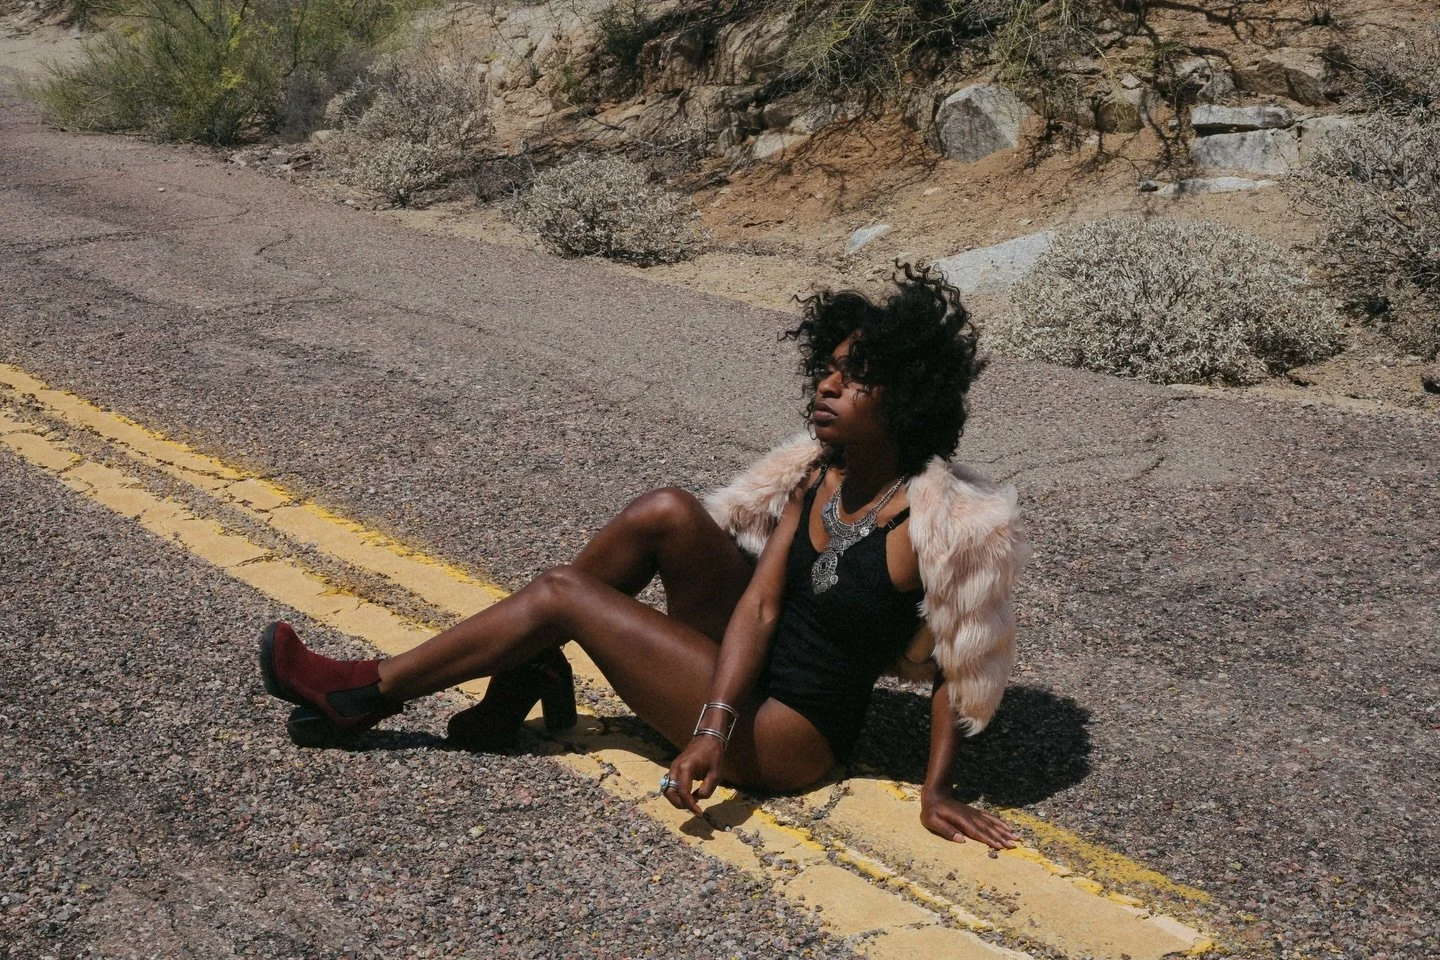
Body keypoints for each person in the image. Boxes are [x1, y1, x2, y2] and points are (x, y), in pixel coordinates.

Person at [259, 264, 1028, 849]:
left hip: (791, 734)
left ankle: (373, 691)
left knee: (564, 594)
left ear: (906, 397)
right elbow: (761, 607)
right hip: (747, 678)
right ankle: (521, 670)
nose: (826, 387)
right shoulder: (817, 477)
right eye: (825, 370)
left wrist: (936, 790)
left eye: (853, 379)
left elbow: (959, 668)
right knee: (666, 510)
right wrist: (714, 721)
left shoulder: (937, 524)